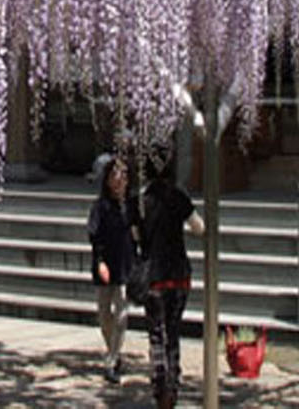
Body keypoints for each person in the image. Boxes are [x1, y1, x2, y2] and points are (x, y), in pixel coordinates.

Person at [134, 155, 204, 409]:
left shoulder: (140, 201)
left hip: (153, 278)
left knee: (156, 335)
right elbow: (199, 228)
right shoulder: (178, 197)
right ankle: (172, 385)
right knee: (173, 332)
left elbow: (136, 236)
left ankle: (159, 384)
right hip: (179, 275)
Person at [86, 154, 134, 384]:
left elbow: (138, 234)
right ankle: (113, 351)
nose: (119, 179)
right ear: (107, 179)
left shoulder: (132, 206)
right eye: (115, 174)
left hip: (126, 264)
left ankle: (111, 360)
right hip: (105, 264)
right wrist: (100, 261)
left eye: (124, 175)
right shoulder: (100, 206)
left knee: (122, 314)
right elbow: (94, 236)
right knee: (104, 315)